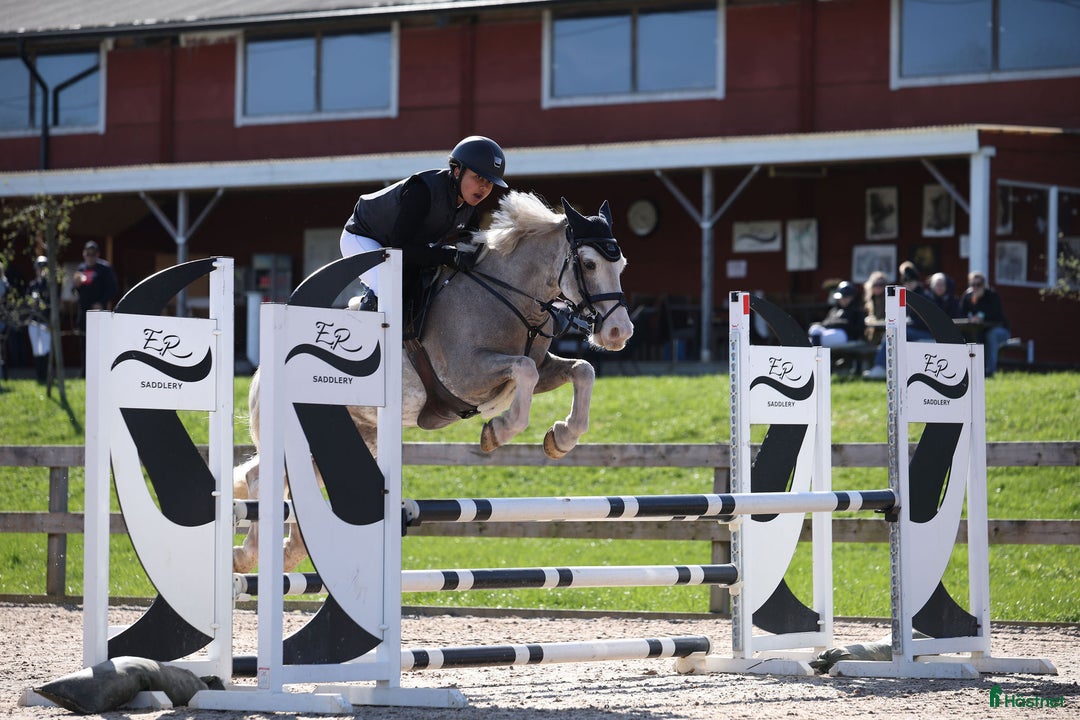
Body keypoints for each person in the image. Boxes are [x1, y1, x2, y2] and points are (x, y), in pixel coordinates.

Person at [339, 135, 508, 315]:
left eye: (489, 182)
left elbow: (470, 249)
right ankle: (364, 328)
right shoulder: (422, 191)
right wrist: (448, 256)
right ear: (457, 171)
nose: (483, 188)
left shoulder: (469, 210)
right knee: (389, 290)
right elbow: (399, 248)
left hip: (401, 248)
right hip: (363, 237)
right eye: (478, 178)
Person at [863, 261, 934, 379]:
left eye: (911, 281)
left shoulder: (923, 296)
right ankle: (884, 368)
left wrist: (907, 322)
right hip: (912, 330)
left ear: (917, 281)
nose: (908, 284)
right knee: (891, 334)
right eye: (906, 282)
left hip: (926, 332)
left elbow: (924, 322)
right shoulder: (908, 296)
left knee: (891, 334)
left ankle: (880, 368)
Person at [73, 241, 119, 372]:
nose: (90, 257)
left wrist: (101, 301)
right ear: (84, 254)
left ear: (98, 254)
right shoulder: (81, 269)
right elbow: (74, 291)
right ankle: (85, 371)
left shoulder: (105, 268)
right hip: (83, 312)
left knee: (99, 342)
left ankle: (100, 370)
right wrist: (75, 286)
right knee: (84, 341)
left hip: (99, 312)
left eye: (93, 254)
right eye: (88, 254)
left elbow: (114, 288)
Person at [961, 270, 1011, 377]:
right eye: (972, 284)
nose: (975, 287)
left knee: (990, 335)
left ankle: (990, 371)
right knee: (968, 336)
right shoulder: (967, 297)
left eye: (978, 284)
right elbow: (961, 313)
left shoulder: (992, 296)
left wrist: (980, 314)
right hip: (978, 331)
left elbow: (995, 315)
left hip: (1000, 330)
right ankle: (969, 370)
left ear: (984, 285)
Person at [808, 281, 865, 347]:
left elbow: (855, 328)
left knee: (822, 338)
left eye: (846, 297)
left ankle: (816, 354)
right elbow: (826, 322)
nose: (843, 300)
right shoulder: (835, 309)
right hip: (828, 331)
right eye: (841, 298)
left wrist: (836, 324)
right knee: (814, 329)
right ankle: (814, 352)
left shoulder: (856, 310)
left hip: (845, 335)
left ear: (852, 297)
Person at [27, 256, 51, 383]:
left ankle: (46, 376)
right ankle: (39, 376)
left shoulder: (50, 286)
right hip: (34, 321)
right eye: (39, 268)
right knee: (37, 349)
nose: (40, 270)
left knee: (46, 349)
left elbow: (52, 305)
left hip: (45, 322)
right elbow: (27, 302)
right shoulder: (33, 285)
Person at [862, 270, 887, 343]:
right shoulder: (869, 300)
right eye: (875, 284)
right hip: (871, 333)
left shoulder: (889, 300)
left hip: (885, 332)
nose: (878, 287)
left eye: (881, 284)